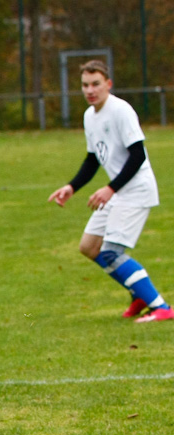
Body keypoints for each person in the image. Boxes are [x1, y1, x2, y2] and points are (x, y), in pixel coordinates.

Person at [48, 61, 171, 323]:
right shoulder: (89, 116)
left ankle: (161, 307)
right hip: (118, 191)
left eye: (95, 84)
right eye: (85, 85)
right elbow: (93, 159)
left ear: (108, 84)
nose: (90, 90)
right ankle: (137, 292)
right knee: (89, 246)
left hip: (135, 189)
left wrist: (110, 188)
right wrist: (72, 186)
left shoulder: (120, 110)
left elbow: (137, 155)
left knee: (111, 252)